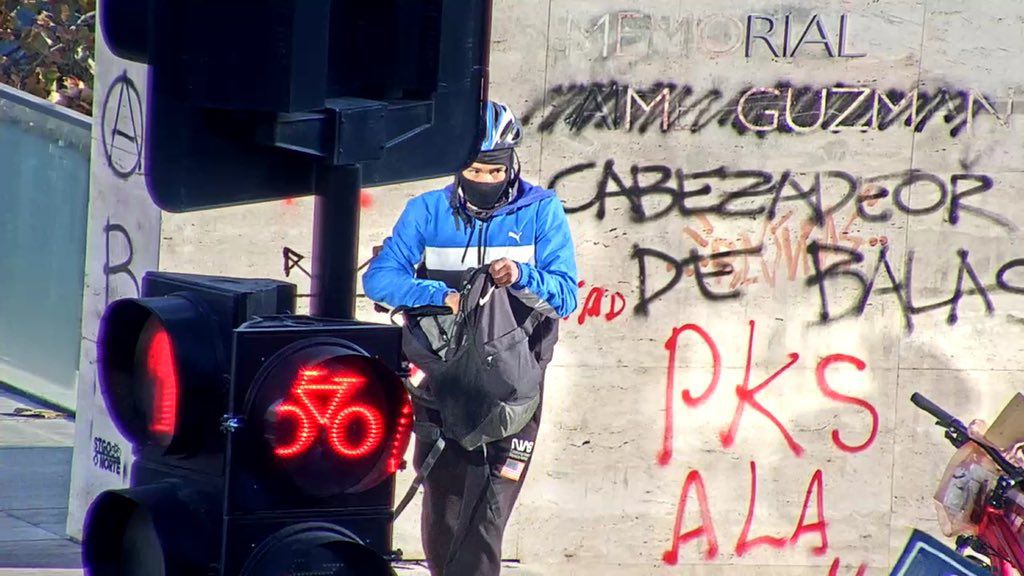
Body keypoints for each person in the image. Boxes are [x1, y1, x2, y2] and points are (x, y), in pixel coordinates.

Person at [362, 100, 578, 576]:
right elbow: (380, 279)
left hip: (512, 385)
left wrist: (521, 276)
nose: (484, 179)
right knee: (443, 506)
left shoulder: (541, 212)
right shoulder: (426, 211)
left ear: (511, 164)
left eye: (493, 170)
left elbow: (565, 296)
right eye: (473, 170)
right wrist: (442, 295)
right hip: (442, 383)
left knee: (486, 515)